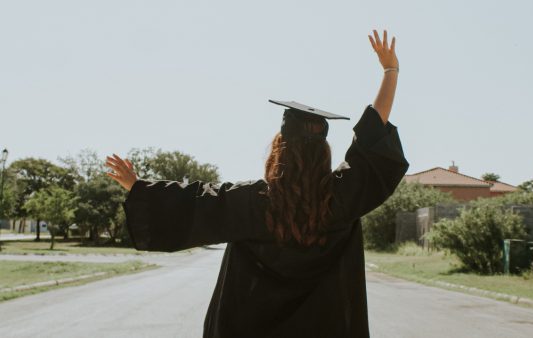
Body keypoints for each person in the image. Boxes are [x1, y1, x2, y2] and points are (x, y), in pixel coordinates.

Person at [105, 29, 409, 338]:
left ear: (280, 149)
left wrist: (138, 185)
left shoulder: (252, 201)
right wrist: (390, 71)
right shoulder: (343, 197)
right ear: (324, 152)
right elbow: (371, 142)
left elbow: (193, 200)